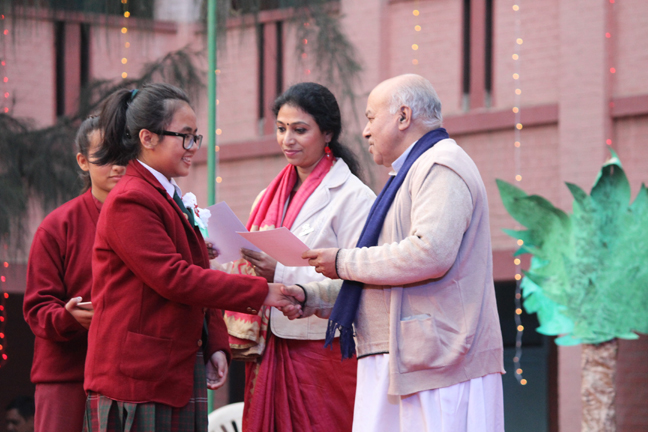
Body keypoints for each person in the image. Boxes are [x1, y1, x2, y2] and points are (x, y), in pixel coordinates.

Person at [282, 74, 505, 432]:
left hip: (438, 364)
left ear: (403, 116)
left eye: (371, 118)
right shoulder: (409, 173)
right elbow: (382, 275)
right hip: (407, 359)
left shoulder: (441, 164)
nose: (365, 131)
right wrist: (313, 296)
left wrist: (342, 261)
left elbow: (430, 253)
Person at [83, 83, 290, 432]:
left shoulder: (165, 195)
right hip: (138, 378)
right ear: (148, 138)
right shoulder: (131, 198)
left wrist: (216, 344)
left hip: (170, 371)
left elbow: (194, 273)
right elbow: (175, 278)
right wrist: (262, 291)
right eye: (185, 136)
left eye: (196, 137)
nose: (193, 146)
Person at [224, 82, 375, 432]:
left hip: (323, 349)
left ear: (328, 133)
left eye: (300, 130)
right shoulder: (268, 195)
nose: (287, 140)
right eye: (281, 128)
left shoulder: (354, 197)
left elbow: (360, 279)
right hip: (271, 344)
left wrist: (281, 273)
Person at [23, 116, 126, 432]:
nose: (117, 166)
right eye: (105, 155)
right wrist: (67, 318)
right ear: (83, 161)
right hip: (68, 375)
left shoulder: (152, 220)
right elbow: (37, 309)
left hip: (128, 377)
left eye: (124, 154)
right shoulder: (58, 226)